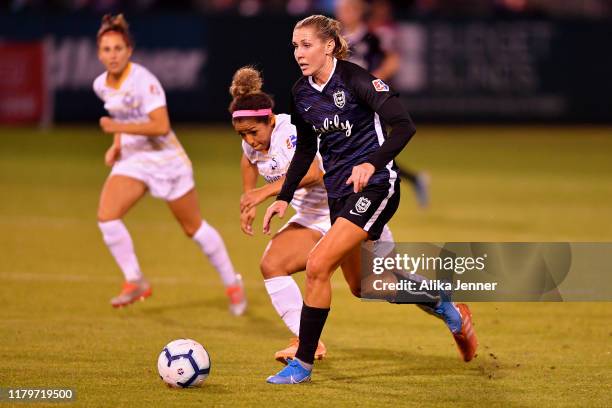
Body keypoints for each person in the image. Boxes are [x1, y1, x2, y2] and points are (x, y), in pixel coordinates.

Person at [262, 15, 477, 384]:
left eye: (307, 44)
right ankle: (442, 302)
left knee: (317, 266)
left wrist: (371, 162)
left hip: (377, 186)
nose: (299, 52)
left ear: (329, 46)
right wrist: (284, 196)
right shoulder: (301, 92)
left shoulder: (357, 80)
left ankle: (303, 363)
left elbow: (404, 125)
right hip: (340, 194)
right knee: (365, 287)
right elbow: (306, 150)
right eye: (295, 46)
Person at [230, 65, 396, 363]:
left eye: (254, 132)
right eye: (243, 135)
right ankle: (307, 343)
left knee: (369, 286)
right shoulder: (252, 141)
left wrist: (265, 193)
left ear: (270, 119)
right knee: (272, 264)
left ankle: (443, 303)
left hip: (344, 209)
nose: (251, 141)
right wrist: (248, 197)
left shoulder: (288, 132)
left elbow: (314, 171)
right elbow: (248, 160)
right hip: (311, 217)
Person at [93, 14, 246, 315]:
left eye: (118, 49)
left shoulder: (144, 81)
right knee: (107, 217)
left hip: (167, 161)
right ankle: (134, 280)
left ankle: (232, 282)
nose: (112, 55)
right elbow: (126, 120)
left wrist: (114, 129)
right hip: (135, 159)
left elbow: (161, 126)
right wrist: (117, 145)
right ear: (99, 53)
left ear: (129, 50)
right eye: (106, 49)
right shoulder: (102, 85)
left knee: (193, 228)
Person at [336, 0, 430, 208]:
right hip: (345, 102)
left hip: (366, 102)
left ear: (359, 12)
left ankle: (361, 198)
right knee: (355, 149)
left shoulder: (372, 37)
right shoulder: (337, 39)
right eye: (341, 10)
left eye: (348, 10)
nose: (344, 14)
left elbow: (393, 60)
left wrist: (372, 80)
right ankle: (413, 180)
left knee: (367, 148)